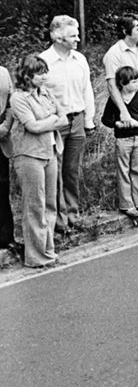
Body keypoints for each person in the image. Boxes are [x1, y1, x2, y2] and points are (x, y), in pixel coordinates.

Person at [10, 56, 67, 268]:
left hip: (50, 151)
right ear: (27, 75)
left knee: (50, 204)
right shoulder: (18, 98)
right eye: (39, 73)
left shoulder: (46, 93)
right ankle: (36, 256)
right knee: (35, 204)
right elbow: (32, 126)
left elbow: (65, 118)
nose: (44, 76)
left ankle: (48, 249)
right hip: (29, 155)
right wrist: (53, 120)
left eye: (45, 71)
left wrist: (49, 122)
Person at [39, 15, 94, 232]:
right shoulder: (44, 61)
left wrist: (89, 119)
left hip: (78, 119)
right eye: (73, 35)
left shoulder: (80, 59)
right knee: (55, 171)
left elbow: (86, 89)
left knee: (72, 170)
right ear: (58, 37)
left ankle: (73, 214)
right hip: (55, 124)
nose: (78, 38)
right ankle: (58, 220)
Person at [100, 65, 138, 219]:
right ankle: (126, 204)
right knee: (123, 170)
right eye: (133, 82)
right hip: (123, 139)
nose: (137, 84)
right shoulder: (114, 100)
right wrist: (116, 123)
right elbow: (106, 119)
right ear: (123, 83)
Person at [103, 13, 138, 129]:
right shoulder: (113, 54)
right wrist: (123, 112)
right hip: (132, 105)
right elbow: (112, 86)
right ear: (125, 31)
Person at [0, 65, 15, 252]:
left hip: (1, 137)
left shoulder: (3, 72)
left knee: (2, 188)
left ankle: (5, 238)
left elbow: (11, 103)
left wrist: (5, 127)